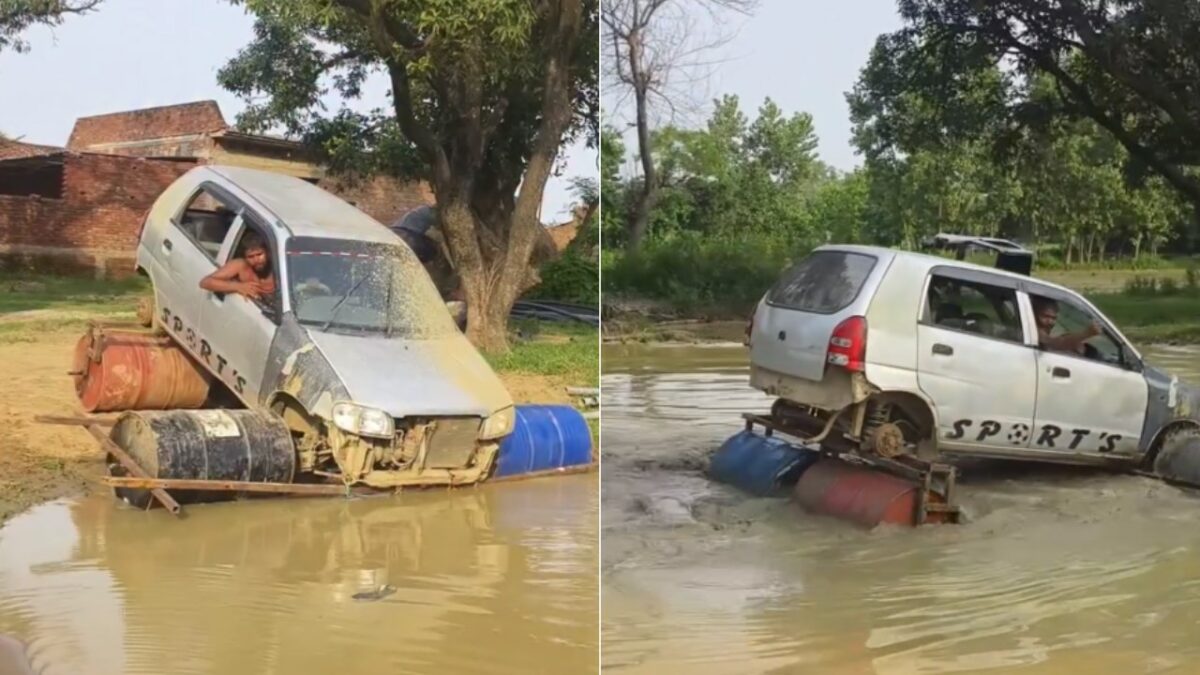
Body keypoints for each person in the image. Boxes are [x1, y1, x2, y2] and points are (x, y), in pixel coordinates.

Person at [200, 231, 276, 300]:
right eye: (251, 257)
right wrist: (238, 286)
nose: (256, 260)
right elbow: (205, 282)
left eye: (259, 254)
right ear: (245, 257)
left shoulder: (279, 267)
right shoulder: (241, 265)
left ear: (268, 253)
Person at [1030, 295, 1100, 354]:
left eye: (1053, 318)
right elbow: (1051, 344)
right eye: (1045, 316)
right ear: (1034, 314)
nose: (1050, 322)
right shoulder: (1032, 330)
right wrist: (1086, 334)